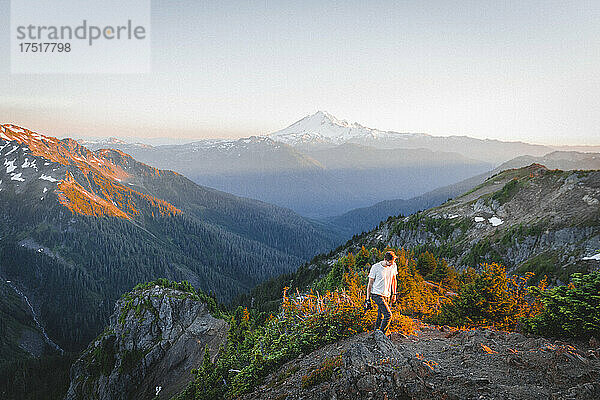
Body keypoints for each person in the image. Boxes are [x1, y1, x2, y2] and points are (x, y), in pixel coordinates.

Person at [364, 251, 398, 334]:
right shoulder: (375, 267)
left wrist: (394, 294)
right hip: (376, 294)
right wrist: (367, 299)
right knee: (388, 315)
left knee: (380, 315)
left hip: (387, 294)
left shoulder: (393, 266)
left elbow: (394, 280)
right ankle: (381, 335)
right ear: (385, 259)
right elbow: (370, 284)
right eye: (389, 263)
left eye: (392, 262)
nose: (390, 264)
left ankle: (375, 332)